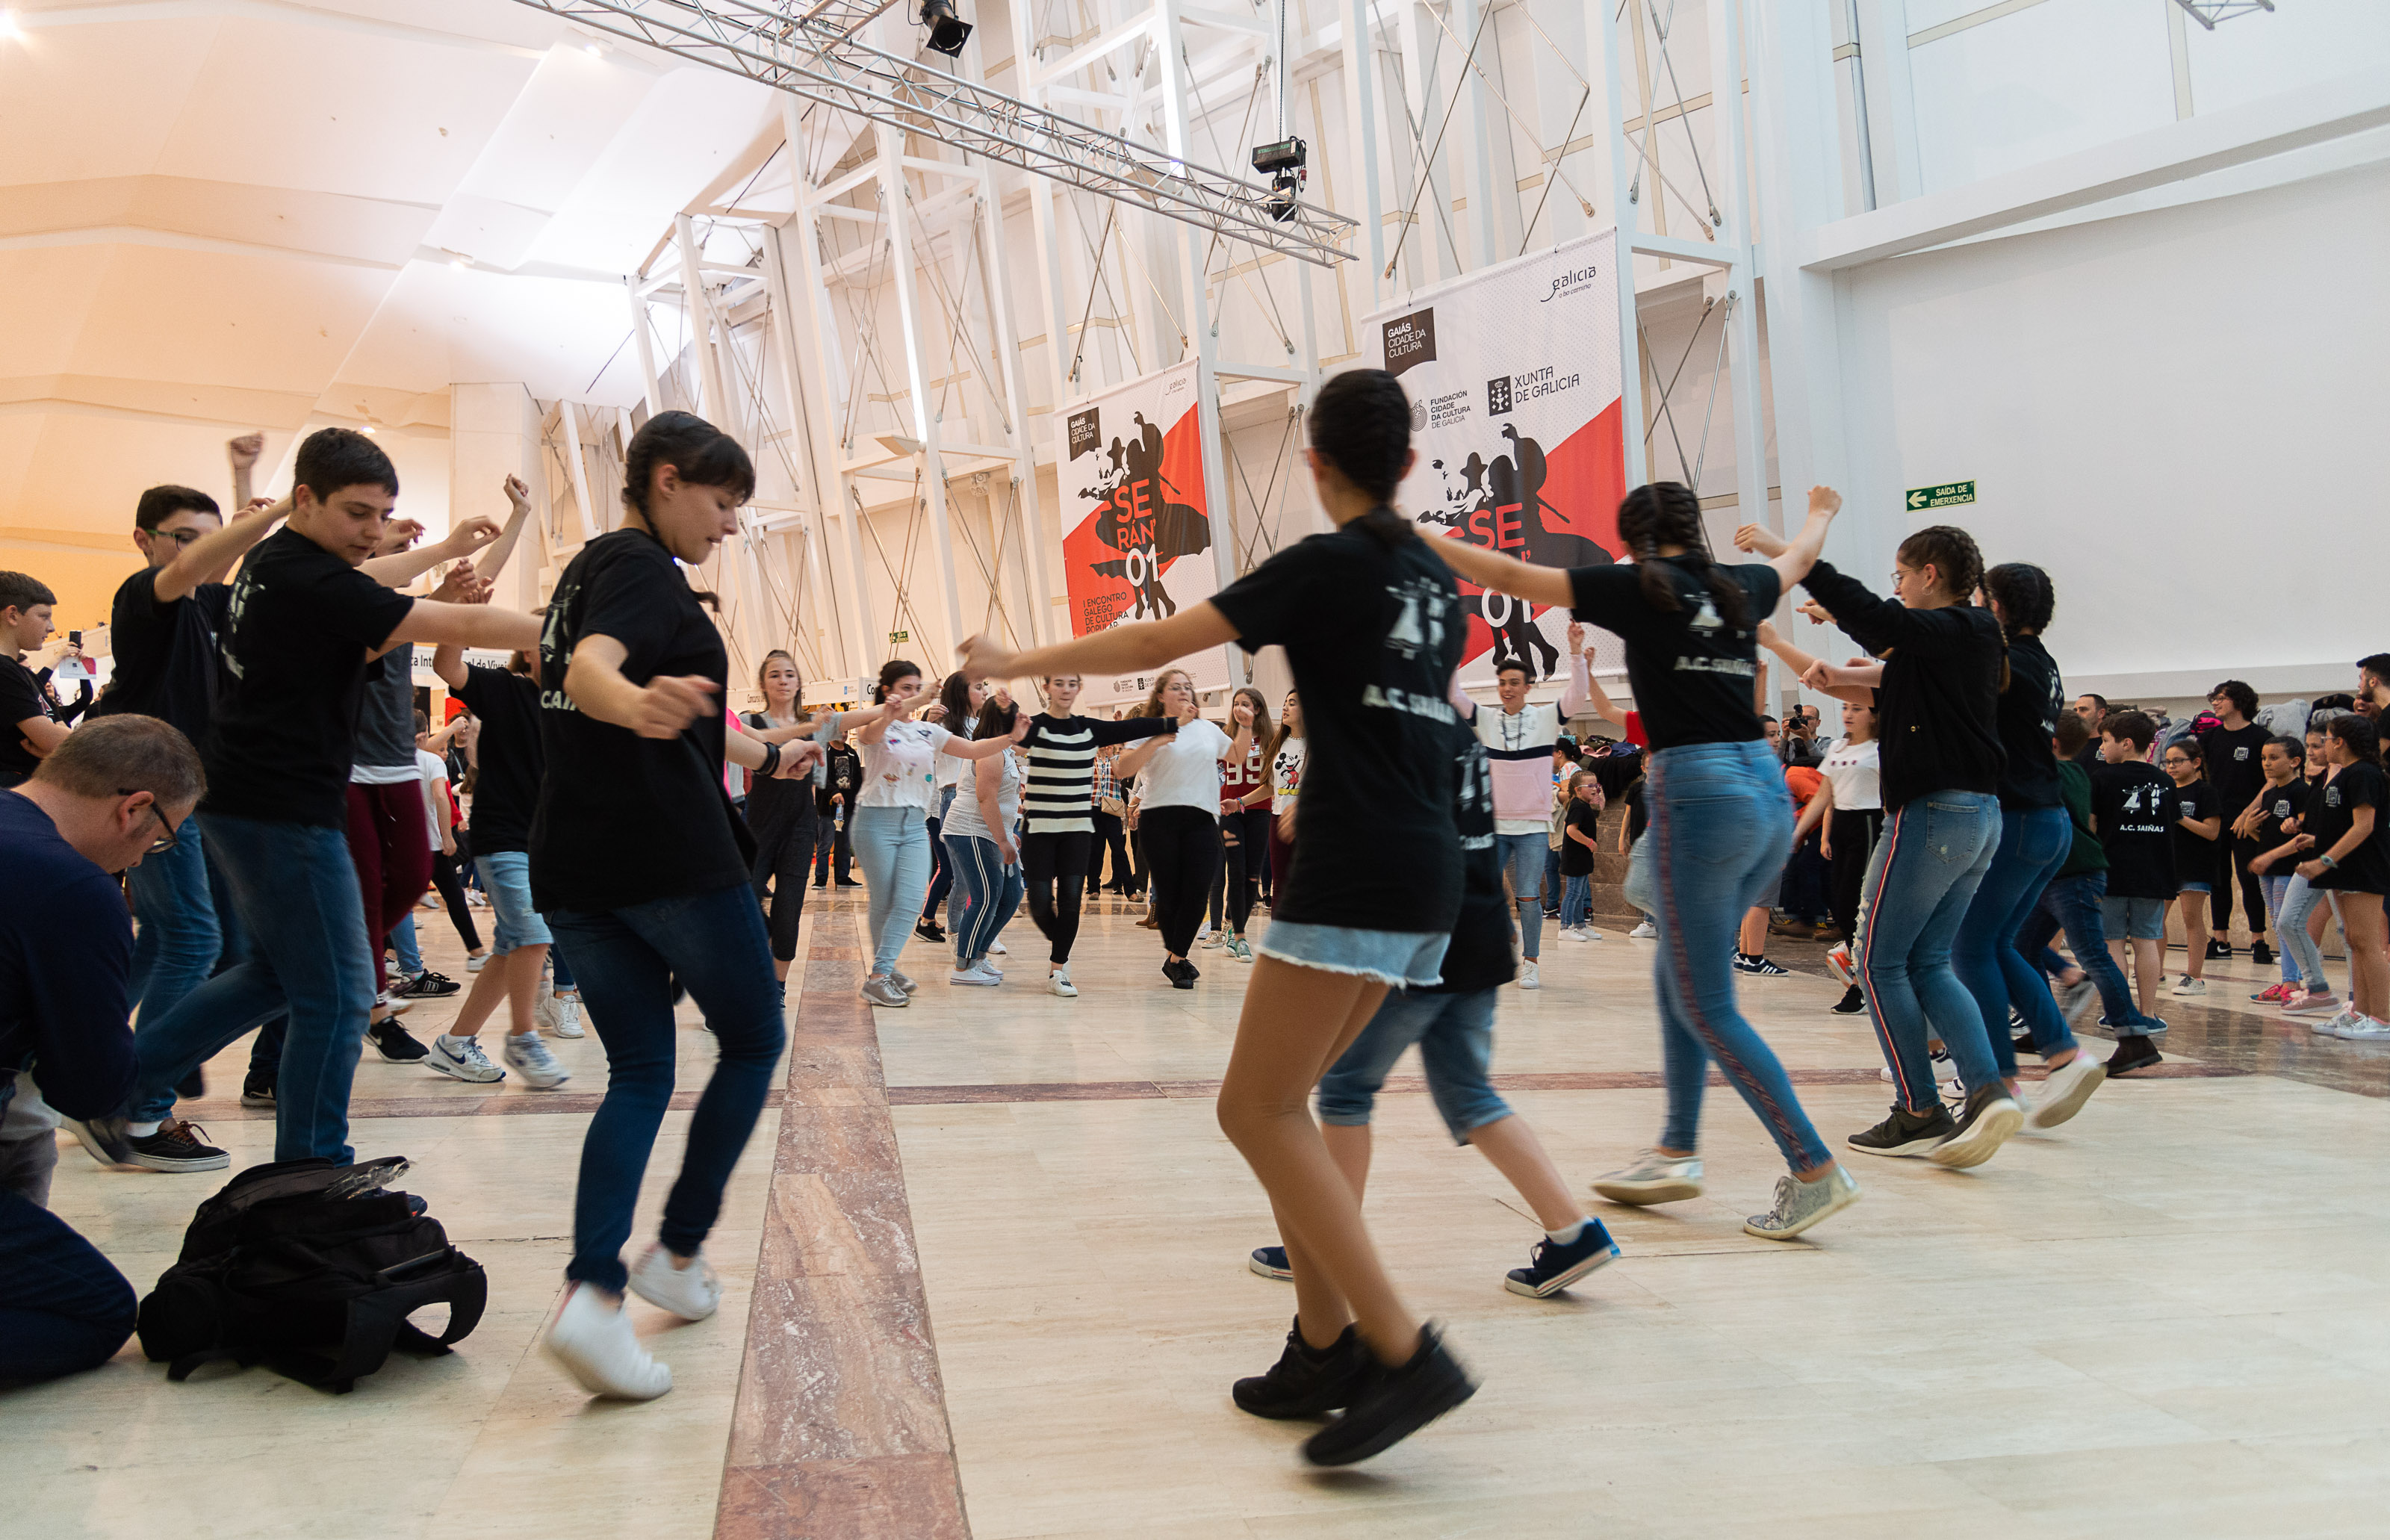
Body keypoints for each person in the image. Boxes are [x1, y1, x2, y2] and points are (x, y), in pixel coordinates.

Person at [961, 368, 1480, 1467]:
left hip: (1354, 862)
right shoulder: (1437, 578)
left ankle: (1400, 1347)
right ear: (1407, 463)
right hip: (1427, 864)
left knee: (1255, 1108)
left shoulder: (1326, 562)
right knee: (1295, 1102)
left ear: (1316, 465)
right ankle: (1322, 1344)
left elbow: (1151, 645)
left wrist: (1019, 660)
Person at [90, 429, 532, 1172]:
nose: (371, 530)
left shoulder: (281, 567)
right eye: (357, 513)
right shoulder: (288, 575)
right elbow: (447, 622)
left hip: (254, 799)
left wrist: (444, 559)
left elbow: (385, 596)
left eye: (380, 514)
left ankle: (123, 1087)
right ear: (305, 500)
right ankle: (311, 1168)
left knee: (273, 973)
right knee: (336, 990)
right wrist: (574, 631)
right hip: (276, 807)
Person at [1441, 482, 1866, 1232]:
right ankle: (1675, 1148)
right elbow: (1800, 559)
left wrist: (1406, 533)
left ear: (1632, 537)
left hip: (1699, 795)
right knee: (1679, 979)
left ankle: (1813, 1166)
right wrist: (1820, 514)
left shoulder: (1640, 585)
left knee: (1705, 1002)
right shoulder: (1738, 584)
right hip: (1762, 790)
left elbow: (1506, 574)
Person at [527, 412, 825, 1400]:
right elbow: (593, 673)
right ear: (665, 479)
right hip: (665, 859)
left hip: (576, 867)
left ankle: (593, 1294)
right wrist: (631, 705)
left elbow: (672, 710)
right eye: (722, 501)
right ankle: (680, 1250)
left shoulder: (586, 568)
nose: (731, 523)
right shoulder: (641, 569)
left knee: (641, 1072)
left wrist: (766, 755)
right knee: (752, 1039)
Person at [1248, 737, 1619, 1300]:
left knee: (1346, 1089)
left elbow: (1392, 831)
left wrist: (1326, 811)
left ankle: (1325, 1246)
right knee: (1470, 1094)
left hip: (1423, 936)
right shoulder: (1456, 730)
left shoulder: (1393, 725)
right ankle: (1573, 1233)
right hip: (1477, 927)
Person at [1793, 524, 2029, 1161]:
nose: (1895, 586)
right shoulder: (1956, 642)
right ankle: (1987, 1091)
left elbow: (1882, 624)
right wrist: (1834, 653)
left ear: (1930, 574)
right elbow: (1883, 658)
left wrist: (1805, 560)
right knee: (1926, 962)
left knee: (1876, 962)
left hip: (1933, 814)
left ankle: (1919, 1107)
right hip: (1974, 815)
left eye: (1900, 575)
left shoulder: (1960, 626)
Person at [5, 718, 203, 1377]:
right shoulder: (73, 888)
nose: (146, 857)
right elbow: (87, 1089)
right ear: (134, 808)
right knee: (96, 1310)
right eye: (161, 838)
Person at [91, 444, 286, 1050]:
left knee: (180, 939)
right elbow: (202, 567)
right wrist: (280, 506)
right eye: (183, 539)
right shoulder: (144, 594)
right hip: (149, 789)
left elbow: (249, 573)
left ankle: (82, 1050)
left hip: (187, 793)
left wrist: (244, 480)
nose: (197, 551)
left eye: (208, 539)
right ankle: (138, 1086)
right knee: (193, 939)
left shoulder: (208, 604)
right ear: (144, 540)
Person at [1945, 562, 2106, 1127]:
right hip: (2046, 820)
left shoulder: (2006, 658)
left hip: (2016, 820)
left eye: (1981, 598)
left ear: (1997, 605)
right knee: (1998, 944)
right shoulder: (2044, 661)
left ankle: (1999, 1082)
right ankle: (2060, 1054)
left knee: (1968, 947)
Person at [424, 636, 574, 1087]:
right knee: (534, 935)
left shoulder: (575, 706)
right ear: (528, 650)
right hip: (502, 838)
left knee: (511, 950)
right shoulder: (505, 689)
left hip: (544, 844)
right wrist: (461, 618)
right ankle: (524, 1037)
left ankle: (455, 1043)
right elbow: (446, 665)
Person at [848, 661, 1026, 1007]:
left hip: (915, 823)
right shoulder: (876, 725)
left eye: (917, 689)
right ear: (887, 691)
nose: (913, 695)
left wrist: (1012, 737)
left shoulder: (927, 731)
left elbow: (973, 750)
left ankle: (883, 970)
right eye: (906, 688)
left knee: (911, 898)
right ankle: (882, 973)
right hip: (876, 821)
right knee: (885, 900)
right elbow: (868, 736)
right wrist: (897, 709)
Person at [1011, 670, 1176, 994]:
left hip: (1076, 829)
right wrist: (1006, 717)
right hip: (1039, 827)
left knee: (1071, 901)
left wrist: (1173, 722)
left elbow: (1130, 727)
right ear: (1047, 687)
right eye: (1059, 683)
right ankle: (1061, 941)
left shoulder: (1088, 728)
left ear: (1079, 688)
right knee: (1040, 901)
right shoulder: (1033, 726)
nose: (1066, 689)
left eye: (1072, 683)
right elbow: (998, 735)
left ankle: (1058, 969)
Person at [1449, 629, 1595, 989]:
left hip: (1531, 827)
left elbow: (1577, 695)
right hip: (1494, 827)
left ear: (1528, 687)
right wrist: (1451, 652)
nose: (1507, 689)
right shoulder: (1487, 719)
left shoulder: (1545, 719)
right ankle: (1502, 935)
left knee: (1528, 896)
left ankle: (1531, 961)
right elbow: (1454, 695)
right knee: (1482, 889)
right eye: (1502, 683)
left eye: (1514, 683)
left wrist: (1575, 653)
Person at [2252, 714, 2390, 1039]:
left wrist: (2324, 861)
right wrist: (2314, 842)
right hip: (2345, 869)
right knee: (2354, 941)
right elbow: (2340, 827)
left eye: (2325, 739)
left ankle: (2383, 1018)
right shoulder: (2341, 776)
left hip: (2365, 868)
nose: (2321, 746)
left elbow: (2364, 827)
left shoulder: (2365, 774)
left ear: (2339, 742)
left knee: (2367, 943)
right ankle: (2359, 1012)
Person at [1114, 674, 1254, 987]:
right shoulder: (1148, 727)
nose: (1184, 691)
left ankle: (1176, 958)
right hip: (1159, 819)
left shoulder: (1206, 729)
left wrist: (1245, 727)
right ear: (1160, 696)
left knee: (1198, 891)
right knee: (1170, 896)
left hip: (1202, 819)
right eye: (1175, 687)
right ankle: (1178, 959)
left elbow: (1236, 756)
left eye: (1188, 686)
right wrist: (1160, 737)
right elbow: (1123, 768)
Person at [2090, 710, 2178, 1075]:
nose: (2102, 748)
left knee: (2112, 942)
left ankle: (2119, 1013)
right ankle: (2149, 1013)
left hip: (2111, 872)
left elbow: (2091, 825)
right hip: (2154, 874)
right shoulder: (2165, 781)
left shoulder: (2101, 778)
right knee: (2146, 941)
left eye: (2106, 741)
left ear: (2126, 743)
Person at [742, 650, 822, 995]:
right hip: (757, 827)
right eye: (774, 675)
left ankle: (776, 989)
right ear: (763, 683)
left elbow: (855, 719)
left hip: (800, 828)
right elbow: (757, 744)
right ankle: (749, 974)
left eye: (789, 674)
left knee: (788, 913)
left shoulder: (814, 724)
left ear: (799, 682)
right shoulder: (750, 722)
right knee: (744, 904)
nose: (783, 681)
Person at [940, 698, 1029, 985]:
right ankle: (963, 967)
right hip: (971, 831)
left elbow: (1001, 798)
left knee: (1012, 895)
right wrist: (1003, 839)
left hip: (992, 832)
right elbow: (985, 797)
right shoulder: (990, 751)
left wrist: (1007, 833)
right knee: (986, 897)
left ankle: (978, 956)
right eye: (1018, 717)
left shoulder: (1003, 750)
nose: (1023, 722)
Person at [2198, 680, 2273, 963]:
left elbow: (2271, 781)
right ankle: (2220, 940)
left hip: (2247, 821)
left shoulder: (2261, 738)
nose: (2215, 703)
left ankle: (2258, 940)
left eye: (2221, 698)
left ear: (2239, 701)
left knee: (2249, 879)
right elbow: (2201, 781)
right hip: (2216, 820)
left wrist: (2247, 813)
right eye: (2214, 698)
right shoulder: (2208, 739)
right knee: (2218, 881)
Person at [2238, 736, 2313, 1004]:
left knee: (2286, 925)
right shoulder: (2269, 794)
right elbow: (2269, 837)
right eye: (2263, 758)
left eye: (2274, 758)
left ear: (2295, 762)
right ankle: (2287, 981)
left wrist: (2271, 856)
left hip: (2287, 869)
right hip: (2268, 870)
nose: (2266, 763)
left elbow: (2303, 835)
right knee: (2277, 925)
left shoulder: (2300, 791)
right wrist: (2251, 831)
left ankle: (2292, 982)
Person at [1210, 685, 1276, 962]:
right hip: (1229, 813)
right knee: (1236, 872)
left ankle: (1233, 926)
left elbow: (1272, 784)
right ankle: (1239, 937)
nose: (1239, 708)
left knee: (1252, 876)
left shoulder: (1271, 739)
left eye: (1245, 704)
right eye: (1236, 704)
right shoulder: (1225, 736)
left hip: (1259, 812)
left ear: (1257, 708)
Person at [917, 671, 982, 944]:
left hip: (974, 798)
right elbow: (921, 755)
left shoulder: (979, 723)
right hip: (945, 801)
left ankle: (950, 924)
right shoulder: (943, 723)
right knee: (952, 869)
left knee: (965, 871)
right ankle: (934, 922)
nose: (985, 691)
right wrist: (925, 723)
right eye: (978, 687)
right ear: (962, 693)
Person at [2162, 739, 2223, 996]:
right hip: (2167, 863)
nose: (2171, 766)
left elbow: (2212, 831)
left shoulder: (2205, 792)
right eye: (2168, 762)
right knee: (2155, 919)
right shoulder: (2165, 791)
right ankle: (2155, 971)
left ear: (2196, 763)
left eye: (2178, 761)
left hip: (2196, 863)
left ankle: (2194, 977)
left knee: (2191, 917)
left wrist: (2180, 818)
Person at [0, 571, 66, 789]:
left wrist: (57, 748)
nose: (52, 627)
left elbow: (61, 734)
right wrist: (56, 746)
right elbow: (55, 740)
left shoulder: (24, 674)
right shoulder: (4, 670)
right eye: (44, 616)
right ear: (13, 615)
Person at [1266, 691, 1304, 904]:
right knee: (1279, 885)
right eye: (1285, 703)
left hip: (1308, 821)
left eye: (1292, 703)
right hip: (1278, 819)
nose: (1285, 708)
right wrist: (1239, 802)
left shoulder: (1319, 744)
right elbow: (1271, 786)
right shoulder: (1279, 743)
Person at [1556, 769, 1603, 941]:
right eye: (1590, 786)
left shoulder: (1583, 805)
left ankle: (1580, 925)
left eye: (1596, 785)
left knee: (1580, 894)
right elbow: (1571, 830)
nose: (1594, 789)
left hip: (1582, 858)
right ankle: (1565, 928)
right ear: (1577, 790)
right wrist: (1590, 843)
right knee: (1573, 893)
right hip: (1575, 858)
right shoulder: (1577, 806)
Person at [816, 732, 860, 887]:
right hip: (828, 809)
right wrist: (833, 792)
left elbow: (858, 780)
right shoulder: (824, 752)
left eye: (847, 732)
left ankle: (842, 877)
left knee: (844, 844)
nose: (844, 734)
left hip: (847, 809)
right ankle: (820, 879)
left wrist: (857, 801)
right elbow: (820, 777)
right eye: (841, 731)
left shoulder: (851, 753)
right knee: (825, 844)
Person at [2071, 694, 2108, 769]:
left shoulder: (2111, 744)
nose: (2077, 714)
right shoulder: (2070, 743)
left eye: (2083, 710)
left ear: (2101, 713)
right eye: (2075, 710)